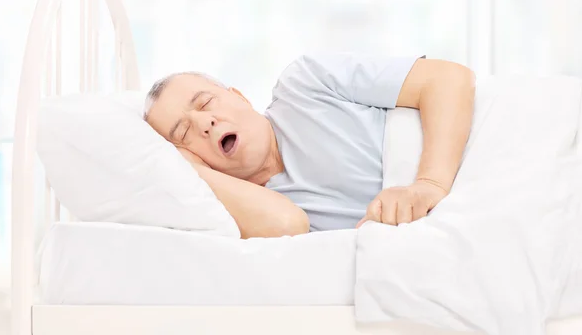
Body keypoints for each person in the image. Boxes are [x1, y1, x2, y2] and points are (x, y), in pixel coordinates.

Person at [143, 53, 476, 238]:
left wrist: (429, 185)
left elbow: (447, 78)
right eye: (183, 134)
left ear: (239, 96)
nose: (205, 124)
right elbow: (288, 225)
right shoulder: (242, 210)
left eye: (205, 104)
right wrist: (188, 168)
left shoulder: (304, 85)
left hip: (473, 155)